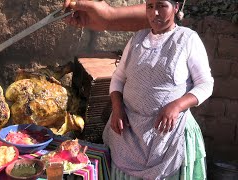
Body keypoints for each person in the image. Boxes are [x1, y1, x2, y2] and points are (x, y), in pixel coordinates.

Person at [64, 0, 213, 179]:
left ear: (176, 7)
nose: (154, 13)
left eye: (161, 6)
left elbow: (205, 84)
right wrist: (117, 108)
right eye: (150, 6)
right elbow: (118, 78)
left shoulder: (187, 39)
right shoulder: (137, 39)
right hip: (129, 133)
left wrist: (176, 106)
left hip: (167, 136)